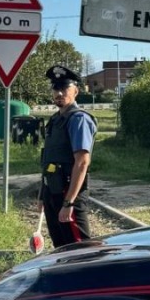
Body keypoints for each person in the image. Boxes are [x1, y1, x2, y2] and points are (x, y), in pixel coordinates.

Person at [38, 65, 97, 246]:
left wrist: (69, 203)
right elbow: (48, 161)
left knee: (79, 248)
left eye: (64, 88)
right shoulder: (55, 120)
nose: (59, 93)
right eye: (55, 88)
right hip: (52, 191)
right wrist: (42, 196)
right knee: (61, 246)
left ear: (75, 91)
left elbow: (82, 162)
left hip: (68, 193)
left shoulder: (78, 119)